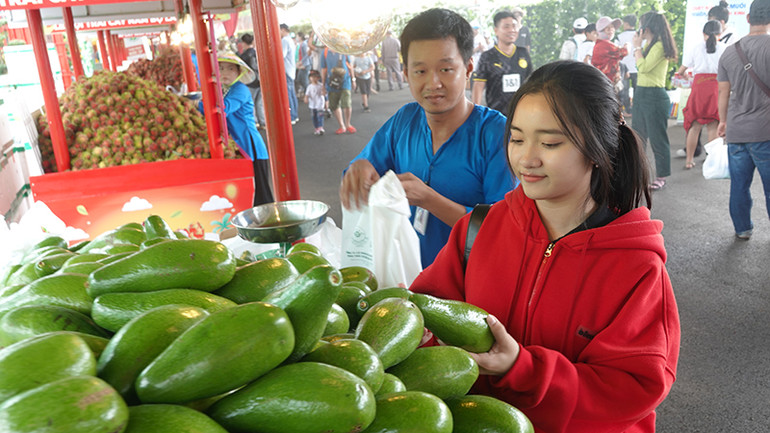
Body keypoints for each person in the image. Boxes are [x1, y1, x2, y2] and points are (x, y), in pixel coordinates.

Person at [410, 60, 680, 433]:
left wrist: (522, 369)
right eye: (517, 139)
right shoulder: (479, 228)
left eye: (550, 142)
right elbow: (425, 309)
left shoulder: (637, 267)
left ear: (596, 148)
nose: (527, 159)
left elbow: (634, 387)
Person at [340, 8, 518, 267]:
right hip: (406, 275)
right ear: (405, 74)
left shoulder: (495, 134)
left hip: (469, 280)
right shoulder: (404, 121)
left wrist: (430, 200)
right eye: (420, 71)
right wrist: (359, 169)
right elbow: (360, 172)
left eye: (446, 69)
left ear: (468, 68)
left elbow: (504, 229)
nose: (433, 83)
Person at [717, 0, 770, 240]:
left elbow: (723, 92)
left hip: (737, 130)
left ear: (748, 19)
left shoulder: (730, 51)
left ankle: (742, 229)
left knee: (739, 185)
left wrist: (723, 121)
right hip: (766, 131)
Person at [200, 53, 273, 206]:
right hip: (238, 147)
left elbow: (223, 108)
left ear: (239, 72)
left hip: (250, 147)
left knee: (261, 197)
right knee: (246, 196)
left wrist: (199, 103)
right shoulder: (223, 89)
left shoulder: (240, 89)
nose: (225, 72)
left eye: (230, 69)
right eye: (221, 68)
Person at [631, 12, 678, 191]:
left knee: (658, 139)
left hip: (655, 96)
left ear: (647, 27)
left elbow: (643, 67)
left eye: (641, 25)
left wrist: (637, 47)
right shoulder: (649, 45)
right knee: (638, 137)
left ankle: (661, 176)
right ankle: (637, 174)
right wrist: (638, 48)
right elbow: (640, 67)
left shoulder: (659, 46)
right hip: (641, 93)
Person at [677, 20, 725, 170]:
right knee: (713, 126)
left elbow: (681, 71)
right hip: (715, 88)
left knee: (695, 126)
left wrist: (686, 76)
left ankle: (689, 160)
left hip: (699, 87)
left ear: (703, 33)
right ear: (720, 34)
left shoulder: (696, 48)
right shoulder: (724, 48)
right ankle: (710, 161)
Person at [472, 10, 532, 114]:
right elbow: (478, 85)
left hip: (522, 114)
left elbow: (531, 82)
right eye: (506, 27)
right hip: (497, 116)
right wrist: (475, 113)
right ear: (496, 30)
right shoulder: (487, 56)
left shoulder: (523, 53)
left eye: (514, 26)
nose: (512, 30)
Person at [320, 47, 357, 134]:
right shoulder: (325, 52)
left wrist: (353, 79)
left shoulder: (343, 49)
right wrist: (323, 85)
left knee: (347, 103)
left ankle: (348, 124)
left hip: (345, 81)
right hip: (332, 83)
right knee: (334, 105)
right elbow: (324, 69)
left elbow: (350, 66)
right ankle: (342, 125)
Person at [236, 33, 266, 129]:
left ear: (243, 43)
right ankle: (263, 122)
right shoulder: (258, 52)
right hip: (260, 80)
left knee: (250, 103)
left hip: (250, 82)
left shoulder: (243, 56)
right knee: (259, 103)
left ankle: (254, 122)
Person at [592, 16, 628, 90]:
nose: (611, 31)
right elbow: (624, 52)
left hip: (604, 83)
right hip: (606, 84)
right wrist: (628, 45)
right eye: (608, 29)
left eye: (612, 28)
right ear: (601, 31)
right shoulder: (605, 44)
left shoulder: (601, 44)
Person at [617, 14, 638, 114]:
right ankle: (636, 110)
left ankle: (627, 110)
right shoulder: (639, 35)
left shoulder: (620, 36)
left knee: (624, 90)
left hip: (624, 67)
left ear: (626, 23)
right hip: (637, 66)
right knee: (637, 90)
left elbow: (617, 51)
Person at [279, 23, 300, 124]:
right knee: (292, 93)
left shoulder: (284, 40)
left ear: (283, 30)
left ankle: (292, 116)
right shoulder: (290, 40)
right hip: (291, 70)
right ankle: (295, 115)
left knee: (288, 94)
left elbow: (281, 55)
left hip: (287, 70)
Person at [304, 70, 325, 136]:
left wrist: (324, 92)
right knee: (314, 117)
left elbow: (324, 93)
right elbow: (307, 94)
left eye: (315, 77)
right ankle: (316, 128)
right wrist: (306, 98)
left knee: (320, 116)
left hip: (320, 104)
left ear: (318, 78)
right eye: (311, 77)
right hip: (312, 105)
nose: (313, 78)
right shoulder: (309, 87)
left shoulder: (321, 85)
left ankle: (320, 127)